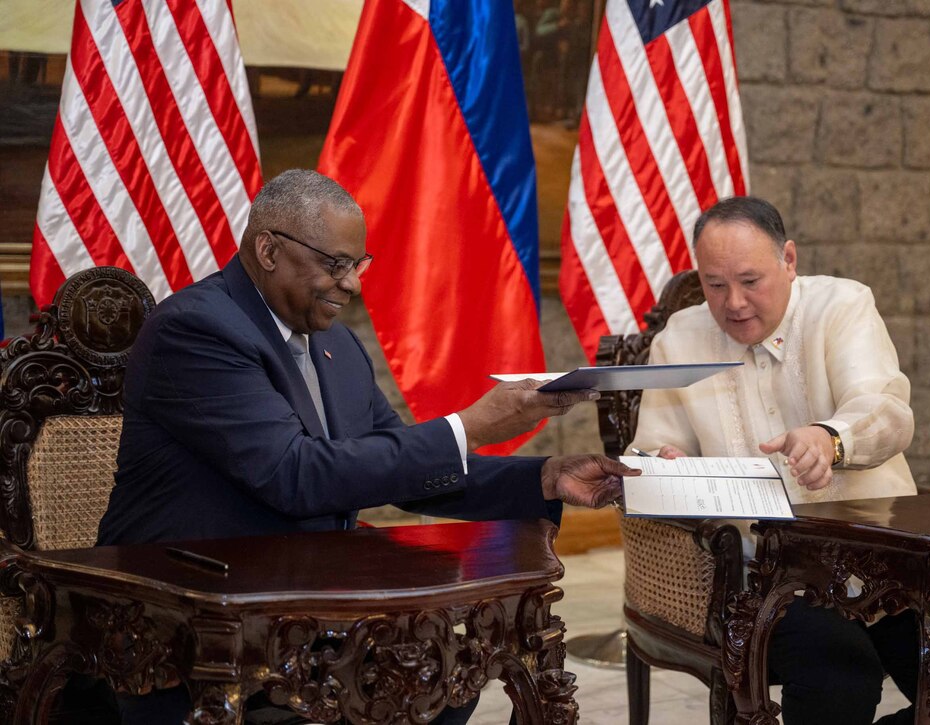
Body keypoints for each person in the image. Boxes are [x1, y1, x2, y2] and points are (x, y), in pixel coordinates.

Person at [95, 169, 637, 724]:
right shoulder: (197, 330)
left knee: (445, 684)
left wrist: (545, 478)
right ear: (268, 249)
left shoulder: (336, 344)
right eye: (335, 264)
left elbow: (395, 461)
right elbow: (294, 473)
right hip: (189, 616)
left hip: (306, 605)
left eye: (358, 265)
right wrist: (468, 426)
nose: (352, 284)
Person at [629, 196, 930, 725]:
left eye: (751, 281)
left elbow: (886, 411)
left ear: (789, 260)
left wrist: (828, 439)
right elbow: (646, 457)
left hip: (882, 562)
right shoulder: (679, 339)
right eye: (715, 284)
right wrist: (665, 464)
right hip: (760, 575)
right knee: (840, 677)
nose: (734, 303)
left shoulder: (842, 306)